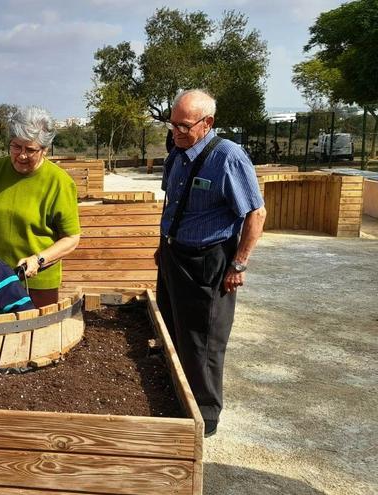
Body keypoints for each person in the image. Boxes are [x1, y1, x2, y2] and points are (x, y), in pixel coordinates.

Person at [156, 89, 266, 438]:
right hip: (175, 255)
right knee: (172, 326)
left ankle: (205, 417)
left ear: (208, 124)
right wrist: (165, 243)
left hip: (209, 261)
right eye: (173, 124)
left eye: (185, 126)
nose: (177, 132)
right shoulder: (177, 154)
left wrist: (239, 264)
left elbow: (256, 214)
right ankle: (178, 397)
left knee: (204, 340)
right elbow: (171, 202)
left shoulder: (228, 157)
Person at [0, 106, 81, 308]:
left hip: (37, 282)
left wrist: (39, 260)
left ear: (45, 149)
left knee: (35, 335)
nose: (21, 155)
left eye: (30, 150)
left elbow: (71, 238)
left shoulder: (59, 182)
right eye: (16, 147)